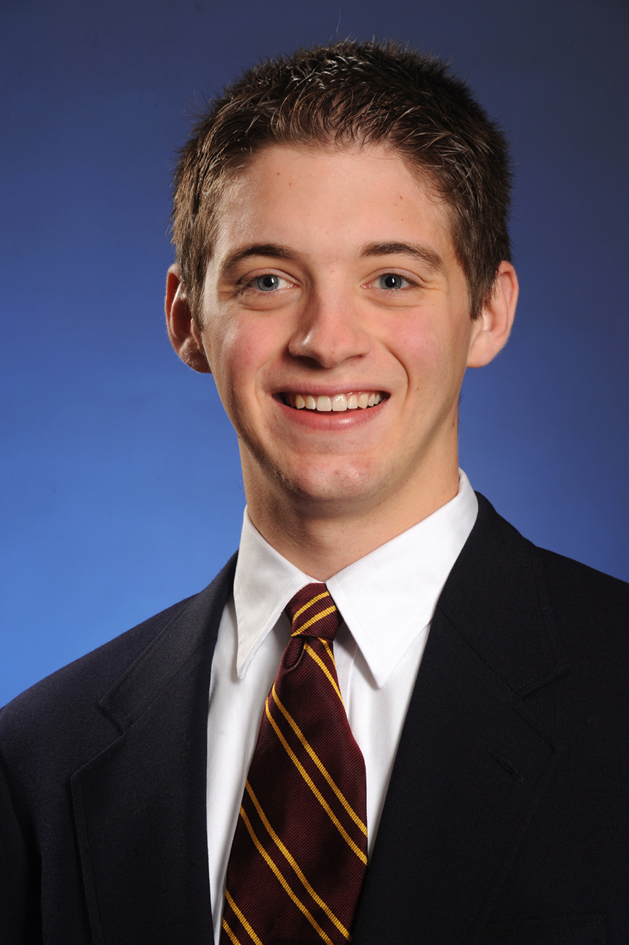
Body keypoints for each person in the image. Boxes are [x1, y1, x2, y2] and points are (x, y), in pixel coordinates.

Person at [1, 39, 628, 945]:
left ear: (487, 311)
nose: (328, 341)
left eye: (391, 279)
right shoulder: (36, 759)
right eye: (268, 280)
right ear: (187, 319)